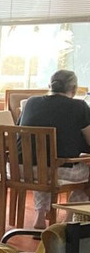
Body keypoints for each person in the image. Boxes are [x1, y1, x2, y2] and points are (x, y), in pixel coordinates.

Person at [18, 69, 90, 228]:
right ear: (74, 89)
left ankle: (40, 216)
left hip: (21, 168)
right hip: (56, 169)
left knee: (43, 162)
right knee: (79, 173)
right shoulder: (79, 106)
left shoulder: (31, 102)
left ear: (49, 85)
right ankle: (69, 220)